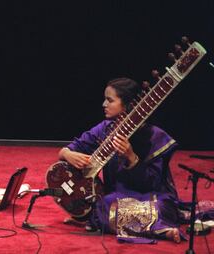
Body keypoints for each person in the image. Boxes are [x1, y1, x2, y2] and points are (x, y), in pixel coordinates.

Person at [58, 78, 183, 243]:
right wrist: (67, 154)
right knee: (106, 204)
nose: (104, 104)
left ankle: (158, 229)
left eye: (110, 100)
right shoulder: (105, 129)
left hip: (150, 198)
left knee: (161, 208)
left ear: (128, 105)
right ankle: (155, 229)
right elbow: (67, 150)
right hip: (116, 199)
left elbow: (153, 184)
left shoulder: (154, 136)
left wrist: (132, 157)